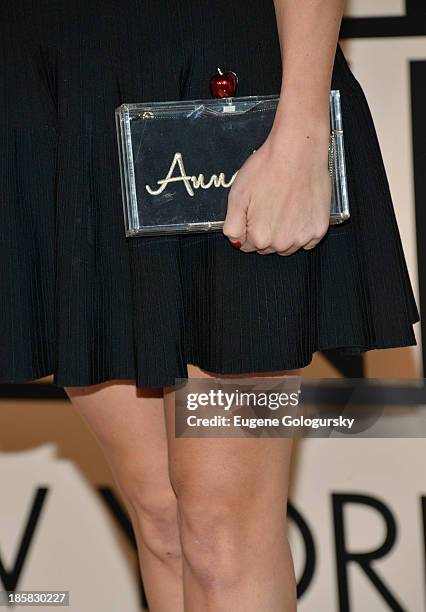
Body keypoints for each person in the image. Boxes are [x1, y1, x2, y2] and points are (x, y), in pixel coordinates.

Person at [1, 0, 419, 610]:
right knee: (163, 522)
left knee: (223, 535)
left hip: (216, 92)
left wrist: (302, 130)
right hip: (55, 87)